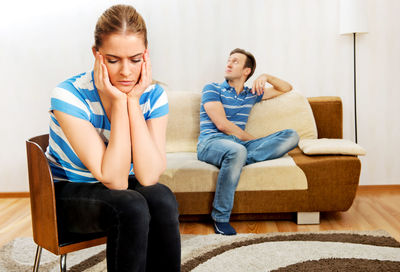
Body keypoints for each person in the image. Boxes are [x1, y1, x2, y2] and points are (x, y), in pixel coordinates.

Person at [46, 5, 181, 272]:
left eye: (134, 59)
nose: (126, 72)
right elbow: (116, 180)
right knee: (130, 205)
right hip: (68, 195)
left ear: (146, 56)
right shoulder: (68, 95)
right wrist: (120, 103)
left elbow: (148, 176)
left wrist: (133, 101)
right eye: (113, 59)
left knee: (162, 196)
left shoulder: (154, 96)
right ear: (96, 55)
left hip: (120, 193)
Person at [197, 48, 299, 235]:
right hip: (211, 143)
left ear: (247, 71)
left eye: (235, 61)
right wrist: (255, 141)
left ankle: (238, 160)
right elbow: (222, 125)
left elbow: (286, 88)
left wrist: (266, 76)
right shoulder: (212, 88)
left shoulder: (251, 93)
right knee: (238, 150)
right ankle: (220, 218)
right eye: (229, 60)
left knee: (292, 135)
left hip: (239, 145)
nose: (228, 64)